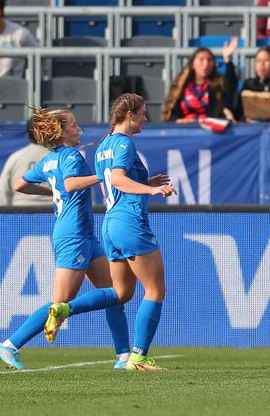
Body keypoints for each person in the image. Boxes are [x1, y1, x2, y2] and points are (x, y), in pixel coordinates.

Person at [43, 93, 177, 371]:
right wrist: (151, 189)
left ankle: (66, 308)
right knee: (155, 290)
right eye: (142, 113)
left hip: (110, 224)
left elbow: (109, 185)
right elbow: (117, 179)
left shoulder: (104, 144)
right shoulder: (125, 143)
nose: (145, 118)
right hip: (130, 222)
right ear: (129, 114)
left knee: (120, 293)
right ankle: (137, 357)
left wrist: (142, 180)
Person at [0, 108, 129, 371]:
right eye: (74, 126)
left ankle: (123, 357)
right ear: (61, 131)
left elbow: (19, 185)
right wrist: (104, 176)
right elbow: (69, 185)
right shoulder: (71, 156)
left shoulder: (50, 159)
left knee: (114, 294)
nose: (79, 130)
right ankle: (9, 345)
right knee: (60, 303)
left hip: (84, 233)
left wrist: (51, 192)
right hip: (73, 234)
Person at [162, 38, 238, 123]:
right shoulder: (181, 84)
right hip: (185, 130)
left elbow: (230, 86)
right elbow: (171, 113)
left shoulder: (217, 85)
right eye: (201, 59)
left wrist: (227, 60)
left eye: (209, 60)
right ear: (193, 64)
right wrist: (178, 121)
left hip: (210, 131)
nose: (206, 63)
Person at [0, 118, 53, 206]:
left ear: (27, 134)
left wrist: (5, 216)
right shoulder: (62, 157)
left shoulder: (16, 158)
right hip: (55, 215)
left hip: (21, 215)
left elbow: (2, 193)